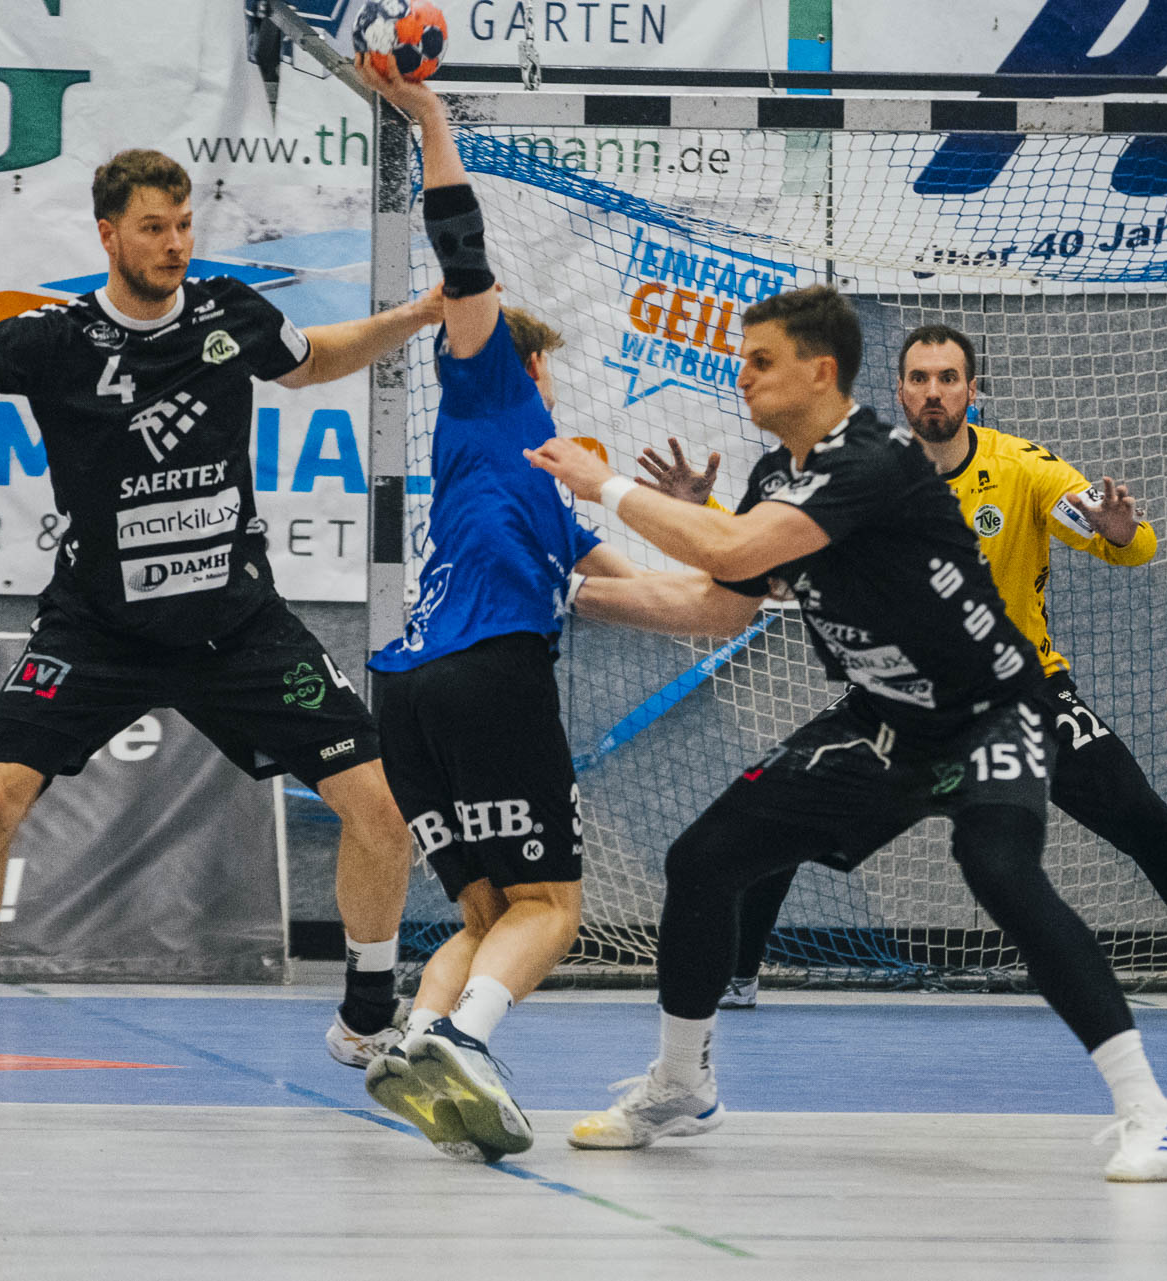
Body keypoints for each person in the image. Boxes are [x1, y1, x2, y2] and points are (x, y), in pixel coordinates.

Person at [528, 285, 1167, 1182]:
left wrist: (601, 484)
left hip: (989, 710)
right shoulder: (775, 478)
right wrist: (572, 593)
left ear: (820, 371)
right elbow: (720, 605)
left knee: (1000, 870)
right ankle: (682, 1083)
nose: (743, 375)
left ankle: (1153, 1113)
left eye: (761, 360)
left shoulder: (874, 459)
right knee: (704, 859)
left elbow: (728, 552)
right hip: (882, 722)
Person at [0, 148, 438, 1119]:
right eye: (154, 228)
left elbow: (313, 361)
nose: (174, 244)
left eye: (183, 225)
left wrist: (415, 316)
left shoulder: (227, 313)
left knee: (380, 808)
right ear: (109, 235)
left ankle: (366, 1018)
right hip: (97, 629)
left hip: (235, 624)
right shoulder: (51, 338)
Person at [654, 325, 1167, 1021]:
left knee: (1145, 821)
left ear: (972, 390)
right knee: (776, 817)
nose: (933, 391)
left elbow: (1126, 541)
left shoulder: (1025, 468)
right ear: (900, 391)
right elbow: (763, 554)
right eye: (919, 378)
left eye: (948, 378)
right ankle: (734, 975)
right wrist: (704, 515)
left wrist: (1121, 532)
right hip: (898, 703)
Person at [351, 60, 642, 1163]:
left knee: (486, 916)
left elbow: (637, 587)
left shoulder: (540, 498)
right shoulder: (490, 390)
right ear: (521, 365)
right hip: (487, 675)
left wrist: (728, 543)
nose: (555, 391)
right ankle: (465, 1041)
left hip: (409, 696)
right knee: (553, 909)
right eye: (550, 372)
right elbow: (462, 249)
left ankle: (417, 1041)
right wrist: (429, 115)